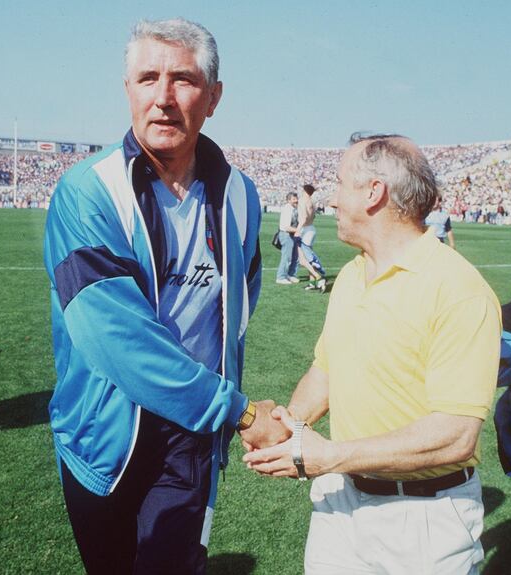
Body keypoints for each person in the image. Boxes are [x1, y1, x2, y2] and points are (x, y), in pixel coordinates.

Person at [42, 18, 288, 574]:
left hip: (189, 436)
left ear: (214, 96)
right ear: (127, 89)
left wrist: (207, 406)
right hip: (102, 434)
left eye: (183, 79)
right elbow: (115, 339)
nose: (163, 98)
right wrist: (238, 411)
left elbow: (240, 301)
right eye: (147, 78)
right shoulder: (87, 192)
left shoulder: (241, 195)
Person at [244, 133, 501, 574]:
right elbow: (326, 370)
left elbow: (456, 434)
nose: (330, 200)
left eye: (339, 184)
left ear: (373, 192)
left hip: (423, 519)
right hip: (340, 502)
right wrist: (287, 423)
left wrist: (329, 456)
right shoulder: (352, 274)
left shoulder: (458, 289)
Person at [296, 183, 327, 292]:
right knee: (309, 259)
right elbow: (312, 216)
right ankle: (312, 283)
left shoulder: (302, 201)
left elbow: (303, 218)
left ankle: (319, 277)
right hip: (311, 229)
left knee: (302, 260)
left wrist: (297, 230)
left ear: (304, 191)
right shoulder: (312, 202)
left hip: (304, 230)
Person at [276, 191, 300, 284]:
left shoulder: (294, 209)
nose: (296, 200)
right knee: (287, 256)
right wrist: (299, 230)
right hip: (286, 234)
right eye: (294, 199)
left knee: (295, 256)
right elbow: (286, 227)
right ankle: (281, 276)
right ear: (288, 200)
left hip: (292, 234)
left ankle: (291, 274)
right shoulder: (287, 209)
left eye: (296, 198)